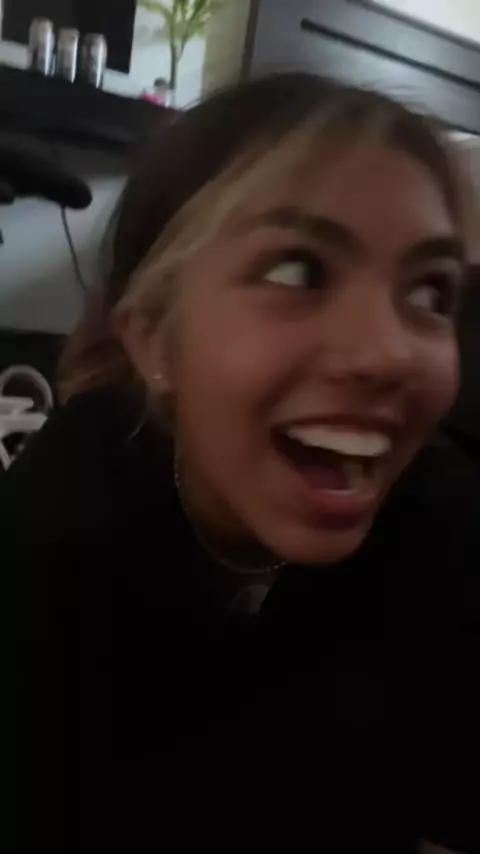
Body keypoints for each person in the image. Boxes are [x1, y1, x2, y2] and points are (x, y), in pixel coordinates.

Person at [3, 74, 479, 853]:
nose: (389, 354)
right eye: (297, 272)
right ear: (153, 336)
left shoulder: (442, 513)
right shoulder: (48, 552)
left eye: (429, 292)